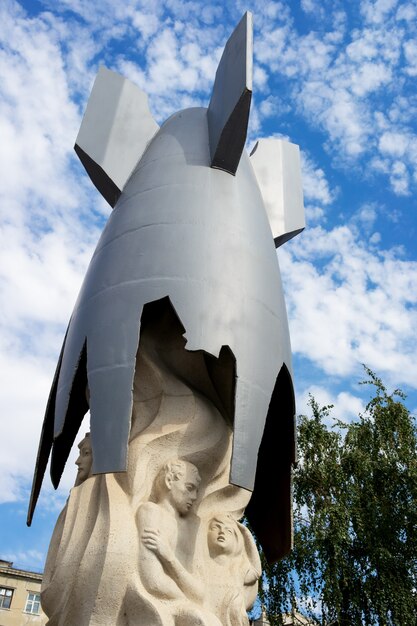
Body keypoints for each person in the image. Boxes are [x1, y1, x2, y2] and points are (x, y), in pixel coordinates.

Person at [137, 459, 204, 603]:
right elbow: (153, 582)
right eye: (189, 487)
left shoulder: (193, 527)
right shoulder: (151, 512)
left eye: (196, 491)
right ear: (169, 481)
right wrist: (189, 602)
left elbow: (200, 594)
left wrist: (169, 557)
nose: (194, 497)